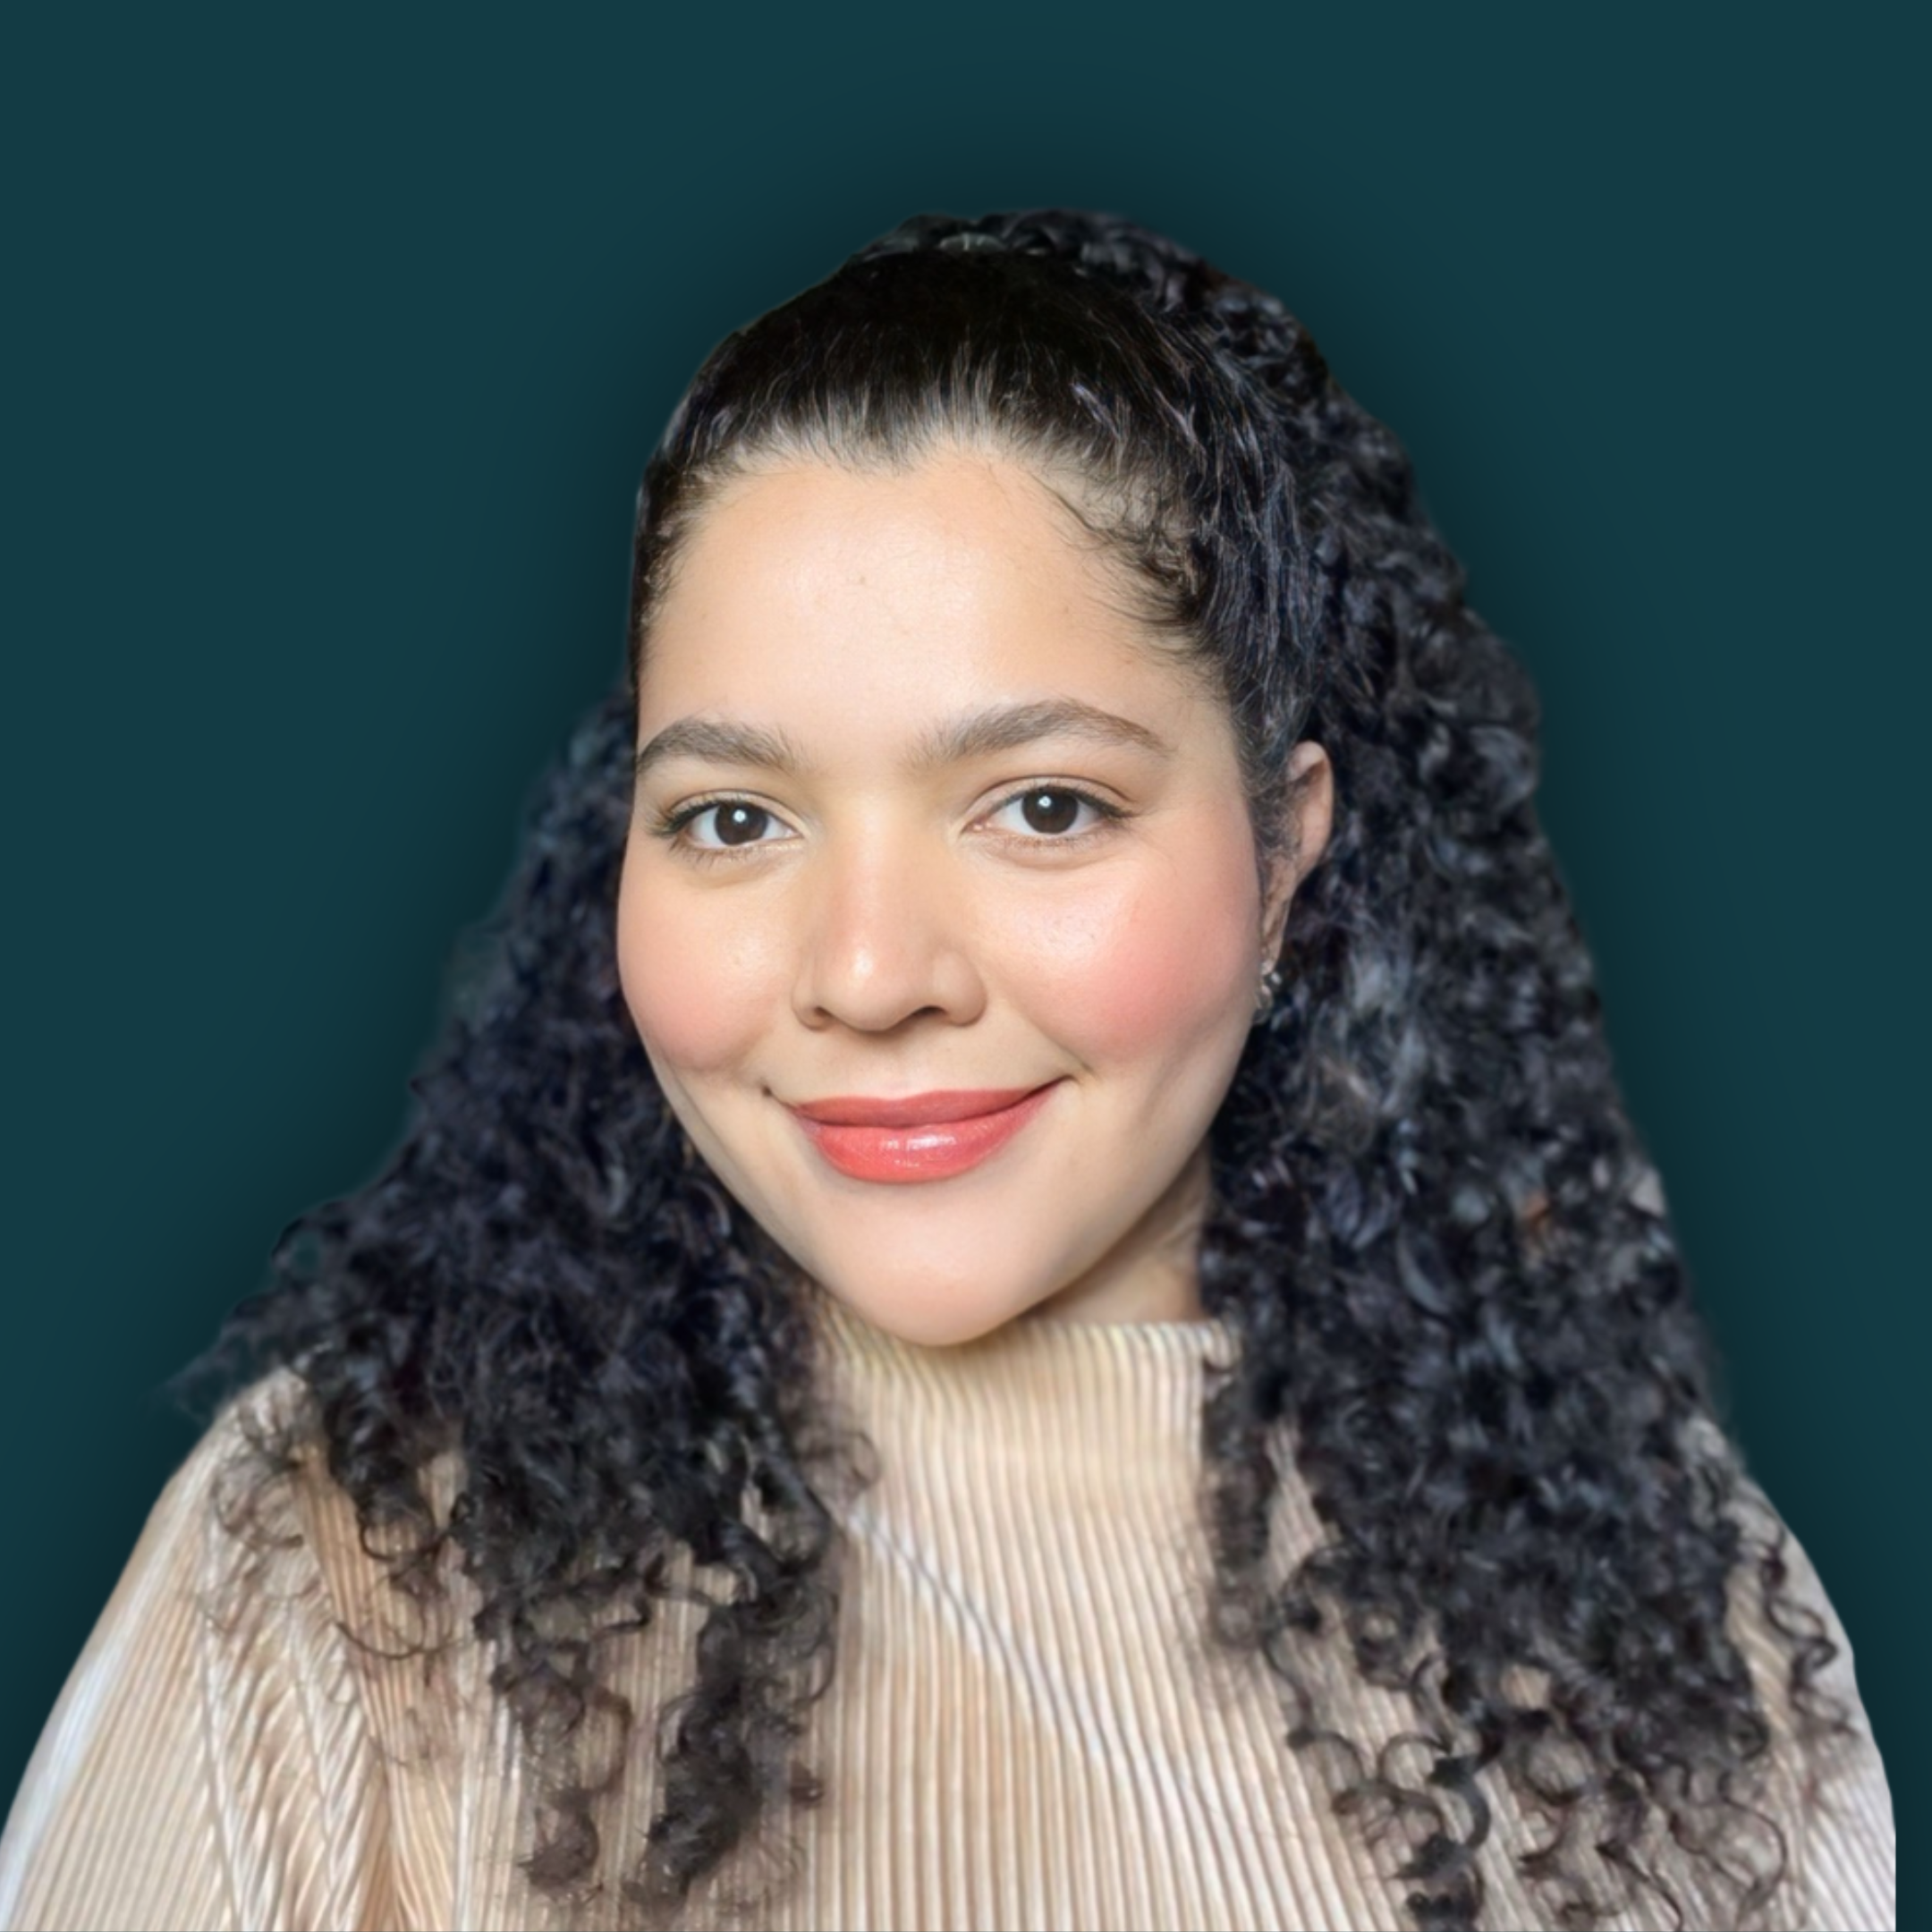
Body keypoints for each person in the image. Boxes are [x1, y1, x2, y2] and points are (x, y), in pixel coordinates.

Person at [0, 209, 1894, 1932]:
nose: (869, 974)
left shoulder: (1665, 1613)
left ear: (1286, 852)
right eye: (736, 818)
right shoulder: (351, 1560)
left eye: (1044, 805)